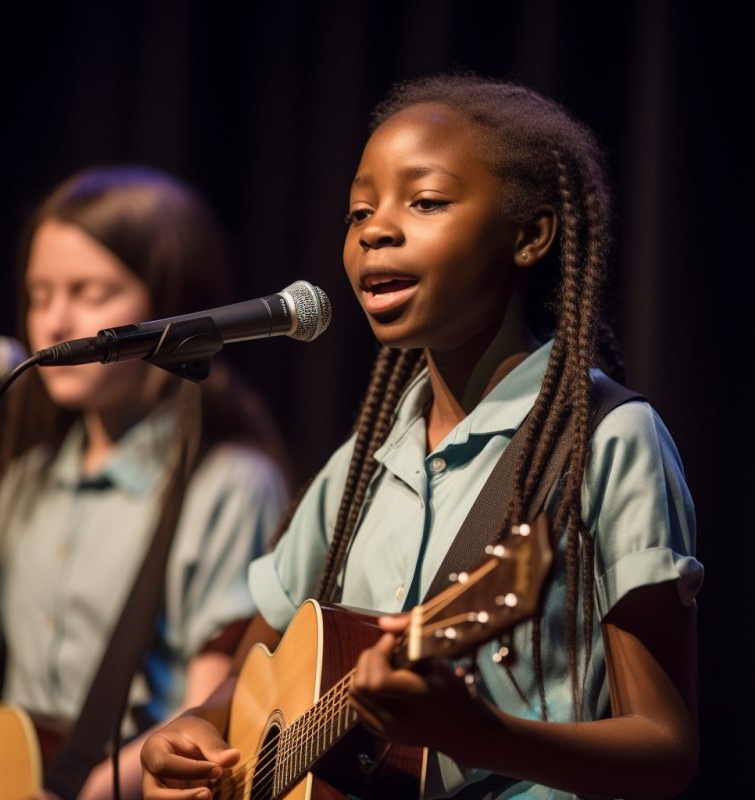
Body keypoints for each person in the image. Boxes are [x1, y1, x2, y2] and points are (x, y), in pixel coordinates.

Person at [138, 73, 701, 800]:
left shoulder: (608, 442)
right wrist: (198, 728)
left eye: (426, 201)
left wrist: (479, 736)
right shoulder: (362, 466)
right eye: (359, 211)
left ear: (529, 235)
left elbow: (666, 749)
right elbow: (253, 667)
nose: (375, 228)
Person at [0, 165, 291, 799]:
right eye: (39, 294)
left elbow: (214, 721)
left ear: (169, 307)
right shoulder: (29, 480)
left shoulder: (230, 484)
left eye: (89, 291)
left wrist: (106, 785)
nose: (53, 323)